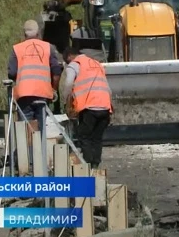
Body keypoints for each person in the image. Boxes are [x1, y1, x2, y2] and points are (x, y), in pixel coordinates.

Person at [8, 20, 63, 166]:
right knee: (40, 128)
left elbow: (12, 72)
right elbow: (56, 70)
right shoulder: (48, 47)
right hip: (42, 94)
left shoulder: (17, 49)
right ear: (38, 33)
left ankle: (28, 163)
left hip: (23, 95)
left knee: (26, 129)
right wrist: (53, 89)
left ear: (24, 34)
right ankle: (41, 162)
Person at [61, 47, 113, 169]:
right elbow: (108, 89)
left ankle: (87, 165)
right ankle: (95, 164)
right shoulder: (97, 64)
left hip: (89, 107)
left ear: (69, 57)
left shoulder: (75, 64)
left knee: (84, 135)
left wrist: (65, 100)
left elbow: (68, 83)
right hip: (105, 107)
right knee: (97, 137)